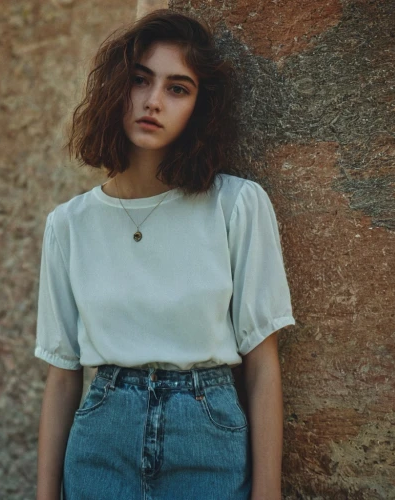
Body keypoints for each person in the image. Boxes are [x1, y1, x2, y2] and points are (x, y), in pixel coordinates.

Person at [35, 8, 295, 500]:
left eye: (178, 88)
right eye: (140, 80)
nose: (153, 101)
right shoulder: (69, 225)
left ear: (200, 107)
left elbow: (262, 367)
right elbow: (63, 375)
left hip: (208, 442)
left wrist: (268, 492)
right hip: (100, 444)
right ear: (116, 88)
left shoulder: (236, 205)